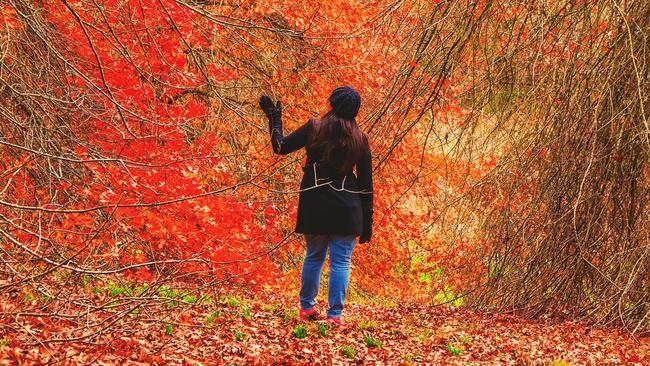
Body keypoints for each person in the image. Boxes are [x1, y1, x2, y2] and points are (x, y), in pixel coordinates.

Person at [259, 86, 373, 326]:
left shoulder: (315, 128)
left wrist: (275, 119)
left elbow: (280, 146)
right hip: (348, 208)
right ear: (355, 111)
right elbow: (365, 185)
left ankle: (307, 309)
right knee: (341, 261)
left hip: (315, 202)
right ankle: (334, 316)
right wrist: (367, 220)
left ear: (332, 103)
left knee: (314, 257)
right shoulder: (360, 138)